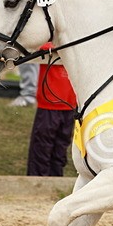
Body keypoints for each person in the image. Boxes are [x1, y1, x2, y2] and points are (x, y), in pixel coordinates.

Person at [27, 44, 77, 177]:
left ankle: (55, 179)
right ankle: (36, 181)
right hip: (48, 105)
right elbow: (37, 46)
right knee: (42, 147)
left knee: (61, 147)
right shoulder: (48, 43)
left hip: (70, 105)